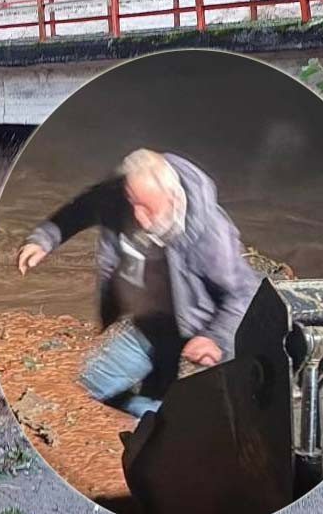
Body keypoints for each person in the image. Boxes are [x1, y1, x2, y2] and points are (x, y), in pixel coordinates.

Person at [16, 149, 261, 419]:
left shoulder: (211, 235)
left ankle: (158, 416)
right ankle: (148, 412)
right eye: (133, 202)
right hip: (149, 325)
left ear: (172, 198)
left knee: (191, 414)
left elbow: (244, 293)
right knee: (92, 386)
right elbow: (83, 207)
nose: (139, 218)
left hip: (195, 331)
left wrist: (214, 338)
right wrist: (45, 239)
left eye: (149, 209)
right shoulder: (121, 194)